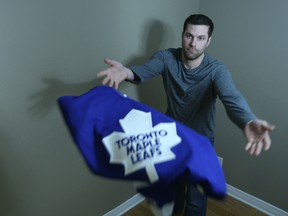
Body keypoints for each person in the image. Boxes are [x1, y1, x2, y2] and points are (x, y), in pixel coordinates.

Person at [96, 14, 275, 216]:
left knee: (196, 198)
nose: (193, 43)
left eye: (200, 38)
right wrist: (126, 72)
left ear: (208, 41)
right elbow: (143, 71)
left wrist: (247, 120)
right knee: (174, 188)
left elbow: (231, 97)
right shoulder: (166, 57)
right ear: (182, 35)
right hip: (171, 135)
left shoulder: (216, 70)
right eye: (189, 36)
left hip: (201, 141)